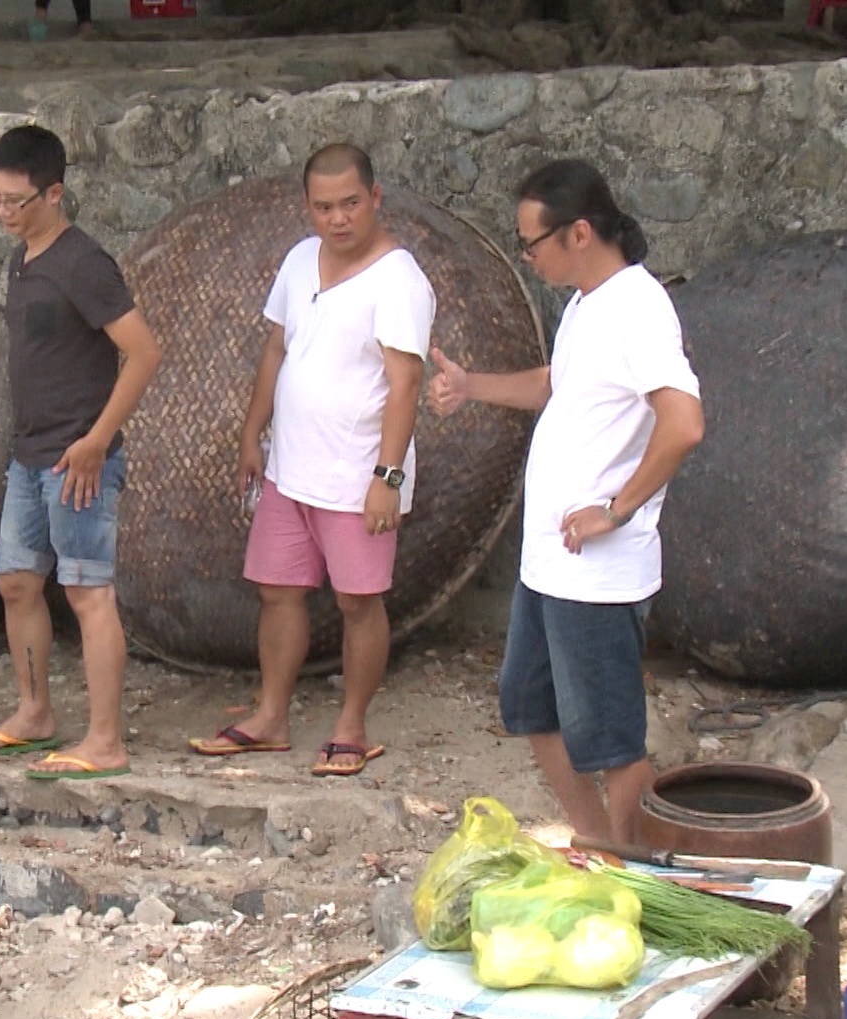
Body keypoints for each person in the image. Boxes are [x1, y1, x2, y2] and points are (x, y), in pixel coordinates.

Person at [429, 159, 705, 844]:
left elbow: (684, 423)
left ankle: (633, 871)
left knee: (608, 738)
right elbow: (560, 384)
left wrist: (617, 507)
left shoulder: (639, 308)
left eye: (532, 243)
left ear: (579, 232)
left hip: (598, 570)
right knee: (528, 705)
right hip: (549, 562)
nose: (528, 258)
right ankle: (595, 844)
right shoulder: (587, 303)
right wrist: (472, 387)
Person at [189, 144, 433, 779]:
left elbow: (405, 384)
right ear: (308, 208)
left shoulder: (399, 279)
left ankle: (351, 725)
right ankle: (270, 716)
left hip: (358, 474)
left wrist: (388, 477)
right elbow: (276, 349)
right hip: (289, 466)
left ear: (375, 198)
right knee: (277, 591)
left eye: (351, 203)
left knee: (359, 602)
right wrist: (253, 433)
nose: (338, 218)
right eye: (324, 207)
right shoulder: (300, 260)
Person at [0, 124, 163, 780]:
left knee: (86, 592)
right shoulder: (21, 258)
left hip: (80, 459)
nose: (2, 212)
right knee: (18, 582)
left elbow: (144, 351)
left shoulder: (82, 262)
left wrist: (97, 441)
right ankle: (34, 711)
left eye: (15, 201)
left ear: (55, 193)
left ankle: (106, 739)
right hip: (29, 455)